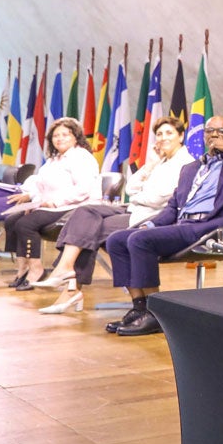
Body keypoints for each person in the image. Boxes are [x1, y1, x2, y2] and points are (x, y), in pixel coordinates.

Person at [104, 115, 223, 336]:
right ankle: (139, 307)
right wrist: (150, 224)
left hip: (211, 227)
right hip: (183, 224)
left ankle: (155, 313)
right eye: (211, 131)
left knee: (140, 241)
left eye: (222, 132)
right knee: (117, 239)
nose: (215, 135)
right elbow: (173, 208)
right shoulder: (190, 168)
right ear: (204, 135)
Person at [35, 116, 194, 315]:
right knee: (85, 212)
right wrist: (150, 165)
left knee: (92, 230)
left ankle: (71, 288)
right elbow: (130, 186)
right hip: (135, 207)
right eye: (159, 134)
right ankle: (65, 270)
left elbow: (157, 199)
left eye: (169, 133)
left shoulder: (185, 163)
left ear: (181, 136)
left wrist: (138, 195)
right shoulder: (160, 160)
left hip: (152, 215)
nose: (163, 138)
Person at [2, 117, 101, 291]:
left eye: (65, 134)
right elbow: (40, 184)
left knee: (25, 224)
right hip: (48, 205)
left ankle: (36, 269)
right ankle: (23, 267)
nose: (60, 138)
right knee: (12, 220)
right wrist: (33, 202)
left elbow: (83, 189)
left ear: (76, 137)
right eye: (56, 135)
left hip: (74, 207)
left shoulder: (81, 157)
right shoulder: (53, 159)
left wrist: (55, 202)